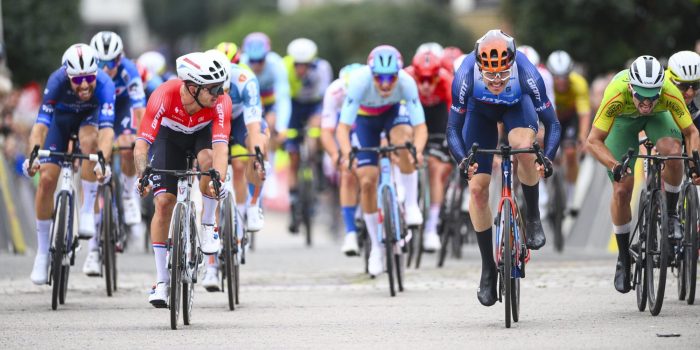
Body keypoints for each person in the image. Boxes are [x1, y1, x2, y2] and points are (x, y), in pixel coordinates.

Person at [446, 30, 560, 306]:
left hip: (517, 109)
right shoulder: (465, 75)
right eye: (490, 75)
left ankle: (532, 216)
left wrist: (548, 157)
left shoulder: (527, 72)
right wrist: (463, 159)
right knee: (477, 191)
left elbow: (552, 123)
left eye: (502, 74)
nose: (496, 81)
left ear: (510, 64)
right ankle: (488, 269)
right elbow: (452, 128)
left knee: (522, 146)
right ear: (479, 67)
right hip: (480, 114)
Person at [586, 55, 700, 294]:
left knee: (674, 151)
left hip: (658, 119)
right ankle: (624, 258)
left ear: (661, 87)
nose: (647, 101)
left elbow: (690, 132)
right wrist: (615, 165)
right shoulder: (616, 92)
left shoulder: (668, 91)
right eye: (641, 95)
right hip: (622, 122)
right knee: (622, 188)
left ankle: (669, 214)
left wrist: (694, 164)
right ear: (631, 88)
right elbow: (593, 141)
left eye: (653, 95)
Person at [133, 51, 232, 307]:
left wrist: (217, 179)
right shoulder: (164, 95)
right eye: (213, 88)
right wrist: (143, 174)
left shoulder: (220, 103)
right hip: (170, 138)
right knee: (164, 202)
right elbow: (142, 143)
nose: (219, 93)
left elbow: (221, 148)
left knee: (209, 164)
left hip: (203, 135)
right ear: (192, 87)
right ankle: (162, 281)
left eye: (220, 87)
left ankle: (208, 225)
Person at [25, 43, 116, 285]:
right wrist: (33, 155)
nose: (84, 85)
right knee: (45, 180)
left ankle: (86, 210)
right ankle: (43, 253)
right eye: (78, 79)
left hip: (89, 119)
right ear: (67, 76)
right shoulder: (56, 81)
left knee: (89, 144)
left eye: (89, 77)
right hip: (61, 121)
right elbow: (40, 126)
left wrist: (102, 160)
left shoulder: (106, 85)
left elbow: (107, 133)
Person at [336, 45, 428, 276]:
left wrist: (417, 151)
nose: (386, 84)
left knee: (403, 142)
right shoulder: (359, 81)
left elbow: (420, 127)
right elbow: (343, 127)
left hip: (392, 113)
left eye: (391, 77)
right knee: (366, 181)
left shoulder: (407, 82)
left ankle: (410, 205)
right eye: (380, 78)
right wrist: (347, 153)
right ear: (371, 74)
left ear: (399, 73)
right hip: (365, 120)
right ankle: (377, 248)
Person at [200, 49, 268, 291]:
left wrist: (257, 155)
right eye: (218, 91)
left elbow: (253, 125)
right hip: (212, 121)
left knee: (254, 151)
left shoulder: (245, 81)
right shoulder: (204, 87)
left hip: (239, 122)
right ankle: (210, 265)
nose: (222, 95)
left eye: (225, 90)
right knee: (208, 176)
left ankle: (251, 205)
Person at [81, 31, 148, 275]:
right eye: (101, 62)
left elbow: (139, 111)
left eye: (112, 63)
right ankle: (92, 250)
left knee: (129, 149)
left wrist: (140, 138)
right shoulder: (88, 74)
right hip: (95, 110)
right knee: (92, 160)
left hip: (121, 111)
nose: (107, 68)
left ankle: (129, 195)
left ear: (120, 59)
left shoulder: (129, 71)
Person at [404, 50, 454, 251]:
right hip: (413, 117)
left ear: (438, 75)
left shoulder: (446, 81)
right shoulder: (406, 79)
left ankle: (431, 228)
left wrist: (453, 140)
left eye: (430, 79)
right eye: (421, 79)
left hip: (438, 120)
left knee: (435, 167)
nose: (425, 85)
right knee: (405, 157)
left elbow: (455, 116)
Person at [281, 38, 333, 233]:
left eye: (305, 65)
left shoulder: (322, 68)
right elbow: (282, 97)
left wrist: (317, 128)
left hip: (314, 104)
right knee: (293, 158)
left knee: (315, 131)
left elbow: (326, 98)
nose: (301, 69)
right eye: (297, 65)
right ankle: (295, 203)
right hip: (293, 105)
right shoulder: (284, 67)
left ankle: (317, 162)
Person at [319, 63, 363, 255]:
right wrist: (336, 155)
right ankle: (349, 229)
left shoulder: (368, 88)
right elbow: (327, 131)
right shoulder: (335, 91)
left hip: (364, 125)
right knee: (345, 170)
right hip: (341, 129)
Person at [240, 32, 291, 199]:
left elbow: (283, 97)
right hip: (249, 101)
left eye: (260, 60)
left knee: (270, 124)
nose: (256, 65)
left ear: (267, 56)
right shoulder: (242, 64)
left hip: (269, 101)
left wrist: (282, 127)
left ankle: (271, 169)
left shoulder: (277, 64)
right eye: (252, 61)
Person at [546, 50, 590, 214]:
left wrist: (583, 138)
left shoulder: (579, 84)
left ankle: (571, 197)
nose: (561, 81)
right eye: (557, 77)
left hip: (569, 119)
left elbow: (584, 114)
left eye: (565, 76)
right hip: (550, 118)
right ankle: (544, 190)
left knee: (571, 152)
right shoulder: (544, 83)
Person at [666, 51, 700, 123]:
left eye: (695, 85)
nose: (690, 93)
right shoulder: (659, 89)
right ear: (671, 81)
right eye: (683, 86)